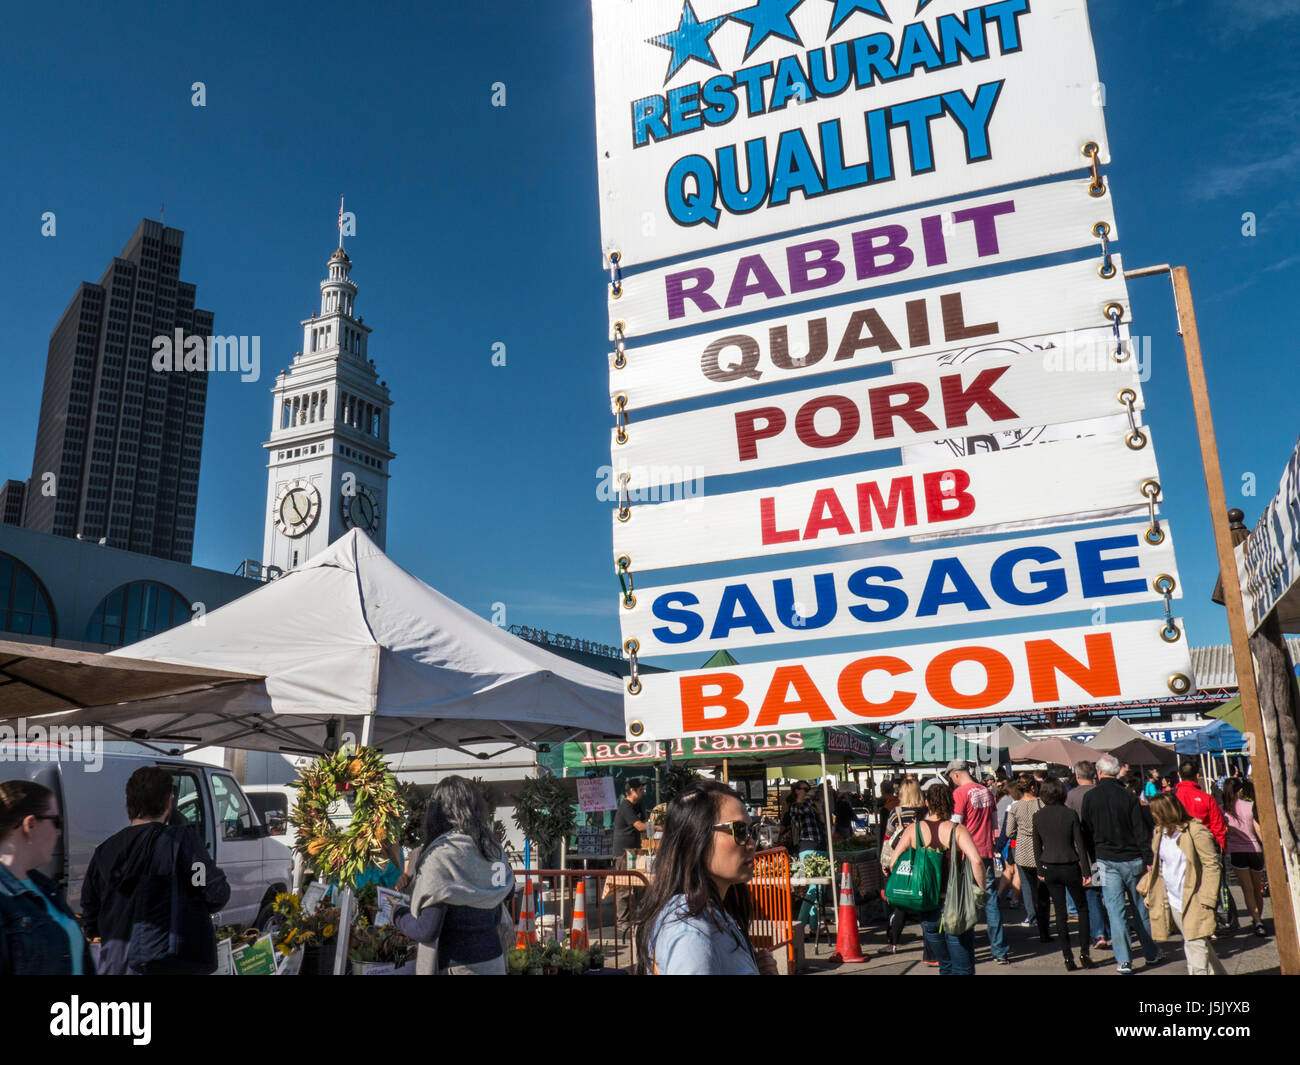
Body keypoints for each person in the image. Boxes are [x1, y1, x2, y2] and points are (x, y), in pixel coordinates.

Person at [82, 766, 229, 975]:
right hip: (170, 964)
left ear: (128, 803)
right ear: (169, 801)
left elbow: (90, 915)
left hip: (116, 965)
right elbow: (214, 892)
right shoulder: (182, 842)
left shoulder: (105, 851)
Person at [636, 780, 776, 974]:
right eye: (739, 831)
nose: (752, 843)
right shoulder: (692, 931)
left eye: (752, 831)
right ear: (696, 837)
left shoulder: (711, 911)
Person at [392, 775, 514, 974]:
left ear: (436, 812)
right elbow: (505, 892)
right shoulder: (493, 851)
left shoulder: (441, 856)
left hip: (459, 966)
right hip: (495, 961)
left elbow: (427, 930)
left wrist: (397, 914)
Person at [883, 783, 984, 975]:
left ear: (927, 803)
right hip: (954, 902)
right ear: (951, 804)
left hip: (927, 904)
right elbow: (977, 862)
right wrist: (980, 891)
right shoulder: (957, 830)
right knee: (963, 967)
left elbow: (893, 861)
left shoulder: (914, 829)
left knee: (945, 965)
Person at [0, 780, 94, 975]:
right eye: (55, 822)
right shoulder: (5, 897)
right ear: (30, 824)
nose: (59, 832)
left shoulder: (44, 887)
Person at [1080, 754, 1162, 974]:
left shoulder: (1090, 798)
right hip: (1133, 858)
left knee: (1115, 911)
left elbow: (1085, 832)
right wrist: (1148, 859)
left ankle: (1124, 960)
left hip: (1104, 859)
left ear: (1098, 772)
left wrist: (1091, 860)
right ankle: (1151, 951)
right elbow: (1140, 832)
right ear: (1117, 772)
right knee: (1139, 909)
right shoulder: (1129, 796)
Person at [1142, 793, 1227, 975]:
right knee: (1195, 940)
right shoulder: (1159, 832)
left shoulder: (1195, 830)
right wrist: (1152, 893)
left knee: (1194, 944)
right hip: (1174, 899)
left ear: (1165, 812)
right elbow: (1160, 866)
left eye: (1155, 812)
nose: (1152, 816)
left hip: (1195, 897)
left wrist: (1208, 897)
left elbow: (1212, 864)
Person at [948, 759, 1008, 964]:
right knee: (991, 902)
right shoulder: (986, 791)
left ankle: (967, 949)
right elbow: (994, 822)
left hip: (967, 854)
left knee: (965, 903)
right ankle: (999, 950)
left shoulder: (960, 793)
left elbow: (955, 826)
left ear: (956, 774)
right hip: (986, 852)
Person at [1032, 778, 1093, 970]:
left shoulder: (1038, 815)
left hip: (1049, 866)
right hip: (1070, 864)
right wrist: (1085, 869)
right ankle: (1084, 952)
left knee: (1059, 911)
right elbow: (1080, 844)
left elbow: (1036, 846)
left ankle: (1067, 956)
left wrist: (1040, 869)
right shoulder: (1070, 814)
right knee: (1082, 908)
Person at [1065, 761, 1109, 949]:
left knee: (1092, 893)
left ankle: (1099, 933)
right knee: (1106, 893)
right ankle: (1109, 929)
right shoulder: (1102, 792)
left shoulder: (1071, 797)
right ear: (1095, 774)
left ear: (1077, 776)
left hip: (1085, 853)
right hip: (1106, 849)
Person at [882, 778, 928, 957]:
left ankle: (893, 943)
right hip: (923, 859)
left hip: (901, 860)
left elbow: (888, 838)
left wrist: (885, 863)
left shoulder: (896, 812)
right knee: (923, 898)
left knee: (900, 902)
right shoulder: (925, 811)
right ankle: (930, 940)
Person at [782, 780, 828, 936]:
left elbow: (823, 823)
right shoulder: (796, 806)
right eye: (805, 789)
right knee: (814, 887)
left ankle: (814, 926)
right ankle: (801, 924)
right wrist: (810, 798)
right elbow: (803, 811)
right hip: (807, 847)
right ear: (797, 791)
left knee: (819, 889)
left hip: (819, 845)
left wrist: (820, 808)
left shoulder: (811, 805)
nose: (809, 791)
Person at [1221, 778, 1267, 937]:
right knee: (1257, 889)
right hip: (1255, 849)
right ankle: (1258, 918)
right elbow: (1258, 829)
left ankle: (1257, 921)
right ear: (1240, 790)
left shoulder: (1223, 809)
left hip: (1236, 852)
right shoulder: (1250, 805)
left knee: (1247, 890)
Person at [1005, 780, 1047, 931]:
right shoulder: (1042, 804)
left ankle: (1032, 917)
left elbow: (1009, 832)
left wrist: (1020, 833)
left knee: (1027, 884)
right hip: (1042, 847)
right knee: (1042, 883)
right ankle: (1044, 916)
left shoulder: (1015, 807)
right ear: (1033, 787)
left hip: (1022, 848)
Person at [612, 777, 648, 942]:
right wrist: (662, 826)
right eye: (640, 789)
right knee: (624, 888)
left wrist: (654, 825)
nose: (643, 791)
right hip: (623, 853)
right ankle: (623, 922)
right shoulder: (626, 806)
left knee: (641, 885)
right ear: (632, 790)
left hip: (636, 851)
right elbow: (640, 826)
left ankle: (642, 919)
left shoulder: (638, 806)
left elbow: (646, 823)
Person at [1174, 762, 1227, 851]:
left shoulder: (1171, 798)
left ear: (1178, 774)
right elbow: (1218, 827)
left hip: (1179, 847)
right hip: (1205, 846)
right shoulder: (1206, 798)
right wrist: (1222, 849)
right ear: (1197, 775)